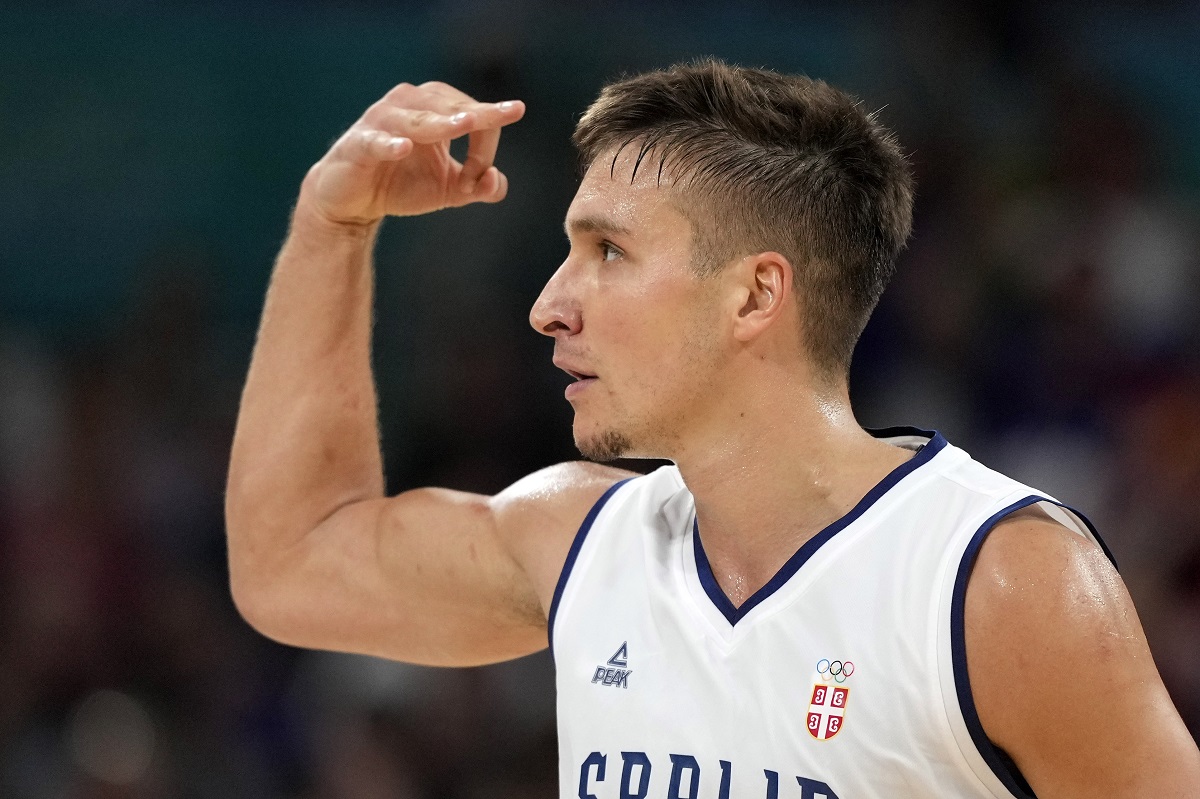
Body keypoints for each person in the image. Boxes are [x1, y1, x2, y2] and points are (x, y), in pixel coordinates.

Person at [225, 60, 1200, 797]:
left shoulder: (997, 581)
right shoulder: (579, 539)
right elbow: (292, 564)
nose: (550, 304)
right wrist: (331, 227)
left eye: (608, 251)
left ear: (753, 295)